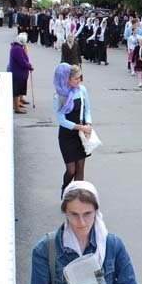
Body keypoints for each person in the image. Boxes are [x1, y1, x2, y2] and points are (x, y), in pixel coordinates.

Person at [53, 63, 93, 194]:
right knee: (71, 170)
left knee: (80, 169)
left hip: (80, 135)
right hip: (67, 136)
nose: (79, 80)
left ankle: (77, 198)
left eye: (80, 77)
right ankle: (65, 188)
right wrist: (81, 127)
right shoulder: (58, 96)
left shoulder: (82, 90)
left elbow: (87, 110)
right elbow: (61, 120)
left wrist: (89, 124)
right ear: (67, 79)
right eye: (76, 78)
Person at [9, 33, 33, 114]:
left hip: (18, 72)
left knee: (17, 90)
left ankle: (17, 105)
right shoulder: (17, 49)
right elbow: (22, 61)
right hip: (18, 72)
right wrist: (29, 66)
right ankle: (16, 108)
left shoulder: (16, 47)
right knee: (16, 91)